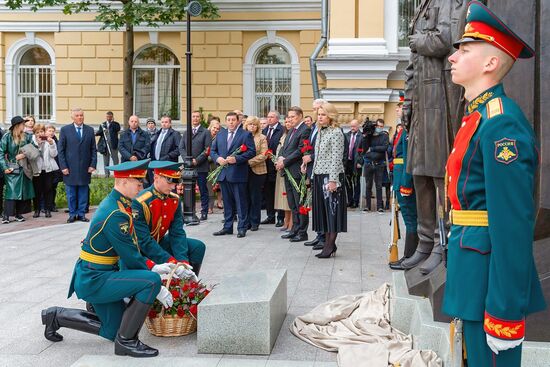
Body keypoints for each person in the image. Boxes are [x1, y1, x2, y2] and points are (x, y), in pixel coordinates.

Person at [442, 2, 546, 365]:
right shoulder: (479, 116)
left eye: (465, 50)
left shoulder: (501, 123)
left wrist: (504, 312)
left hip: (489, 276)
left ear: (490, 64)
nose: (454, 57)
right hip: (471, 264)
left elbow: (512, 222)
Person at [40, 160, 176, 358]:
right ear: (123, 182)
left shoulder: (121, 204)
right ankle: (127, 343)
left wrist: (155, 266)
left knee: (114, 329)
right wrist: (156, 280)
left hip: (99, 273)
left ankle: (55, 316)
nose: (141, 187)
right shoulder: (115, 213)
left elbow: (132, 248)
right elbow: (130, 255)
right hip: (95, 279)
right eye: (137, 183)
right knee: (150, 283)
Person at [132, 161, 206, 277]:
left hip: (159, 242)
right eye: (169, 181)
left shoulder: (174, 199)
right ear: (156, 177)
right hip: (139, 249)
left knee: (197, 247)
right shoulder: (141, 202)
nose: (173, 186)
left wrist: (183, 262)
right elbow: (144, 241)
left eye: (176, 181)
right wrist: (173, 262)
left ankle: (188, 282)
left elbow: (177, 233)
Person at [211, 112, 256, 238]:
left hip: (238, 173)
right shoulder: (220, 134)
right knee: (227, 202)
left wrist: (237, 159)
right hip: (223, 174)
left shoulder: (245, 134)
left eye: (233, 120)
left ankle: (242, 227)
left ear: (238, 121)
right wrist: (217, 158)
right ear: (226, 121)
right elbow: (213, 151)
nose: (230, 122)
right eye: (228, 120)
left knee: (240, 202)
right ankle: (227, 227)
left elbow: (252, 152)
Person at [311, 102, 346, 258]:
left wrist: (333, 180)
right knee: (323, 213)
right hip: (318, 175)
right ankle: (328, 243)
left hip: (330, 177)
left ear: (330, 115)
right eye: (318, 114)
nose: (320, 117)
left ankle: (329, 246)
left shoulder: (336, 132)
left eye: (323, 114)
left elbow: (336, 159)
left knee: (332, 212)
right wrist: (312, 175)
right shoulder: (320, 132)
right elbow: (318, 157)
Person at [389, 99, 418, 271]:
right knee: (408, 217)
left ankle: (410, 256)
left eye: (401, 107)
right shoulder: (402, 130)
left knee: (410, 218)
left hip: (404, 177)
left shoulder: (408, 130)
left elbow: (408, 158)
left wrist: (406, 183)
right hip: (398, 175)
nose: (398, 109)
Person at [276, 106, 311, 242]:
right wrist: (280, 158)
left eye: (292, 116)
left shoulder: (305, 129)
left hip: (297, 171)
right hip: (287, 171)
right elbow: (284, 148)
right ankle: (294, 229)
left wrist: (285, 161)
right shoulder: (292, 130)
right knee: (292, 203)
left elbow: (300, 150)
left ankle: (302, 232)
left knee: (300, 203)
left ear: (300, 116)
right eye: (288, 117)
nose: (290, 119)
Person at [58, 108, 97, 223]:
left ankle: (81, 214)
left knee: (83, 192)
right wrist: (63, 166)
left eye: (81, 115)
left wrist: (92, 164)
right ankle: (72, 214)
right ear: (72, 117)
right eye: (77, 115)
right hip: (70, 168)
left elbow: (93, 149)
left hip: (85, 167)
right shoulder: (65, 130)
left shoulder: (89, 130)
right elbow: (61, 150)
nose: (80, 117)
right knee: (71, 193)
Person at [0, 116, 35, 223]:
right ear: (17, 126)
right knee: (11, 192)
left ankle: (18, 214)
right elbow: (1, 153)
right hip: (11, 167)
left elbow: (34, 149)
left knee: (22, 192)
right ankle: (6, 215)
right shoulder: (7, 137)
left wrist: (24, 155)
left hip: (24, 167)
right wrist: (5, 168)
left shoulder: (27, 136)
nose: (24, 126)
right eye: (22, 124)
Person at [304, 99, 328, 250]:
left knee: (323, 206)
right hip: (313, 169)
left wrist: (311, 157)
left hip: (322, 171)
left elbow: (323, 151)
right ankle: (319, 234)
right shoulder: (314, 127)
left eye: (318, 109)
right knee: (317, 205)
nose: (316, 113)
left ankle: (325, 237)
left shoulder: (327, 129)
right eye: (314, 110)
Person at [179, 111, 211, 221]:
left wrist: (196, 161)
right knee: (188, 190)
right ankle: (190, 211)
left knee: (203, 190)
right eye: (193, 117)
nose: (195, 118)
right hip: (189, 167)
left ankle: (204, 211)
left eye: (197, 117)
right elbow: (181, 148)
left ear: (200, 118)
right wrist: (187, 160)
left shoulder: (206, 132)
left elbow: (207, 150)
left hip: (201, 166)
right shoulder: (187, 131)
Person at [260, 110, 285, 226]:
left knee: (278, 192)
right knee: (268, 192)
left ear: (277, 118)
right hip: (265, 166)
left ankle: (280, 216)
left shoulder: (282, 130)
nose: (269, 119)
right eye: (268, 117)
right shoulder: (264, 131)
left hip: (277, 165)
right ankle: (270, 216)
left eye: (272, 117)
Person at [244, 116, 268, 231]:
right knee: (245, 197)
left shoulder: (262, 137)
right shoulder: (242, 137)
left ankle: (255, 222)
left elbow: (265, 154)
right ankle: (246, 221)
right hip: (243, 171)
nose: (252, 126)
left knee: (255, 197)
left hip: (257, 170)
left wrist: (249, 162)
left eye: (254, 124)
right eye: (250, 124)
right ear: (246, 125)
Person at [361, 118, 389, 213]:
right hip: (368, 163)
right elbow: (364, 148)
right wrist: (365, 136)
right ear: (375, 126)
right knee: (368, 185)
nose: (380, 128)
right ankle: (367, 206)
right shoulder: (369, 135)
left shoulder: (384, 136)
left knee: (378, 186)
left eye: (382, 126)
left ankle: (379, 207)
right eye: (378, 126)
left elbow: (384, 147)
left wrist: (372, 148)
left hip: (379, 164)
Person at [31, 123, 58, 218]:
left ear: (44, 132)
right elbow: (31, 155)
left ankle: (47, 210)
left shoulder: (50, 140)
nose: (39, 134)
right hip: (36, 169)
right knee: (37, 190)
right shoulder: (32, 141)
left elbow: (54, 154)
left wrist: (51, 144)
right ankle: (37, 210)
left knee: (48, 189)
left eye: (41, 131)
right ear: (34, 133)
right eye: (37, 132)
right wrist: (38, 144)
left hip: (48, 169)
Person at [274, 119, 293, 231]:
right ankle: (286, 221)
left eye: (290, 121)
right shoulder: (284, 135)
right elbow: (279, 150)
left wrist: (283, 162)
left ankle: (292, 223)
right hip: (281, 168)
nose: (288, 124)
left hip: (289, 167)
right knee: (284, 197)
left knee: (290, 198)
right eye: (286, 122)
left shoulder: (295, 135)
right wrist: (277, 161)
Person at [96, 111, 121, 178]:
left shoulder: (115, 124)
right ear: (106, 117)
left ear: (112, 117)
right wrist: (98, 132)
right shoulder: (103, 124)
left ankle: (117, 174)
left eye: (110, 117)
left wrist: (112, 123)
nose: (108, 118)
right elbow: (100, 132)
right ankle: (107, 174)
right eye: (107, 116)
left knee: (115, 159)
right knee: (106, 160)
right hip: (105, 145)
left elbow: (118, 129)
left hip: (113, 144)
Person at [344, 119, 363, 208]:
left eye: (354, 126)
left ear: (358, 126)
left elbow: (363, 151)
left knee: (356, 182)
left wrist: (360, 162)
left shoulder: (361, 136)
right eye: (351, 126)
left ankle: (356, 201)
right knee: (348, 183)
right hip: (347, 162)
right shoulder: (346, 135)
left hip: (356, 163)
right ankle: (350, 200)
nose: (352, 128)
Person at [206, 118, 222, 212]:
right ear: (210, 127)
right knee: (208, 186)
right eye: (214, 128)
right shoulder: (206, 135)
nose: (215, 130)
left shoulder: (219, 137)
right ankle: (209, 207)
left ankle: (219, 202)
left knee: (218, 185)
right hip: (206, 165)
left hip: (216, 164)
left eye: (217, 128)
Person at [46, 124, 62, 212]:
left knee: (53, 187)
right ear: (45, 131)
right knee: (46, 188)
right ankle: (45, 206)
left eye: (53, 131)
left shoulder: (57, 141)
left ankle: (52, 204)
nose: (51, 133)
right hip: (46, 168)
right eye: (49, 131)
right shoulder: (43, 141)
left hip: (55, 168)